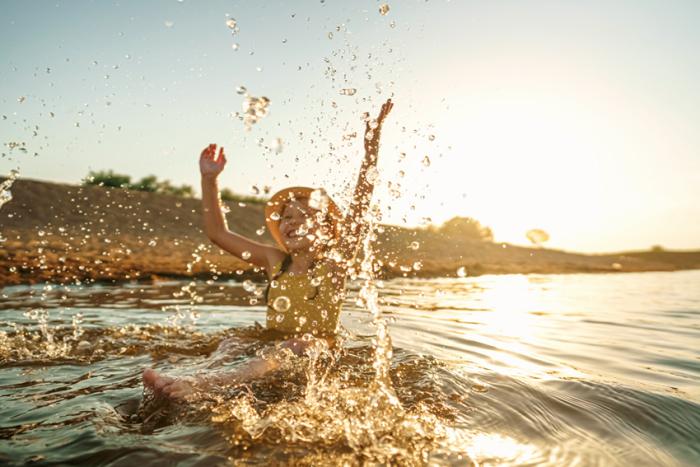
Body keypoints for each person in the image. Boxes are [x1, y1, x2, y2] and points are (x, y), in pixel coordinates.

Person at [143, 98, 394, 400]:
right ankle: (189, 377)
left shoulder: (334, 264)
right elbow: (217, 233)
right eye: (287, 217)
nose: (292, 222)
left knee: (297, 345)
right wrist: (209, 180)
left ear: (328, 231)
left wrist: (371, 148)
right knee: (232, 343)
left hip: (318, 347)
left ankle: (208, 385)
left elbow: (358, 211)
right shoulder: (275, 260)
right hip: (273, 344)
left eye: (305, 216)